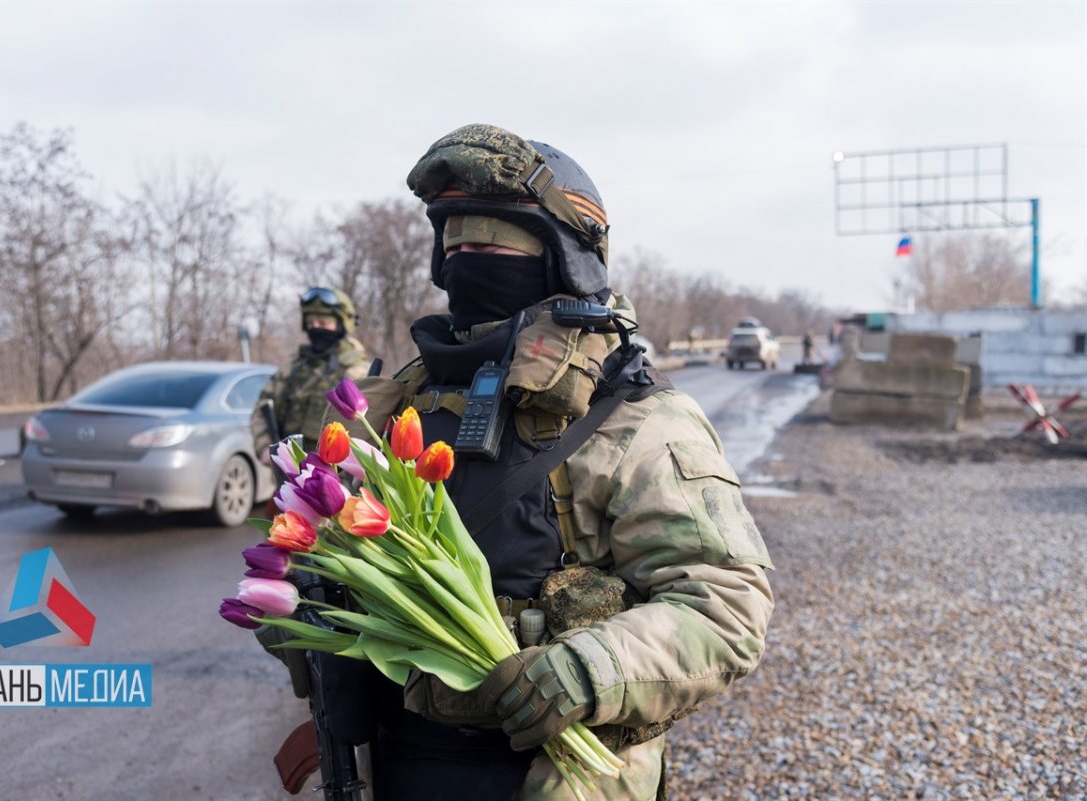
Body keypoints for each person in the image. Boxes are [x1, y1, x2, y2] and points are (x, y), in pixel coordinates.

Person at [309, 125, 774, 801]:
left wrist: (591, 667)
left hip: (556, 771)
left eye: (492, 243)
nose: (468, 258)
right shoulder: (394, 402)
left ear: (561, 258)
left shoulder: (631, 416)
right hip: (403, 761)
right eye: (455, 243)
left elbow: (727, 606)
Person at [251, 287, 371, 457]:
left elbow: (365, 429)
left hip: (335, 474)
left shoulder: (357, 370)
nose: (315, 328)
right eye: (310, 323)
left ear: (341, 325)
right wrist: (264, 447)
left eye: (323, 324)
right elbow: (263, 407)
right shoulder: (293, 367)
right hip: (288, 468)